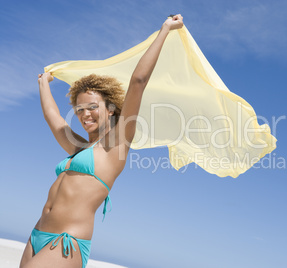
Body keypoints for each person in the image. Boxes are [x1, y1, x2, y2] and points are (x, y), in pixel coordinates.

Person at [19, 14, 184, 268]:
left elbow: (138, 82)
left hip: (66, 242)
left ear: (110, 109)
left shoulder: (116, 146)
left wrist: (165, 30)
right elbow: (53, 118)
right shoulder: (78, 147)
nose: (85, 114)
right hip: (37, 236)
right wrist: (43, 84)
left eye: (93, 107)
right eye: (80, 109)